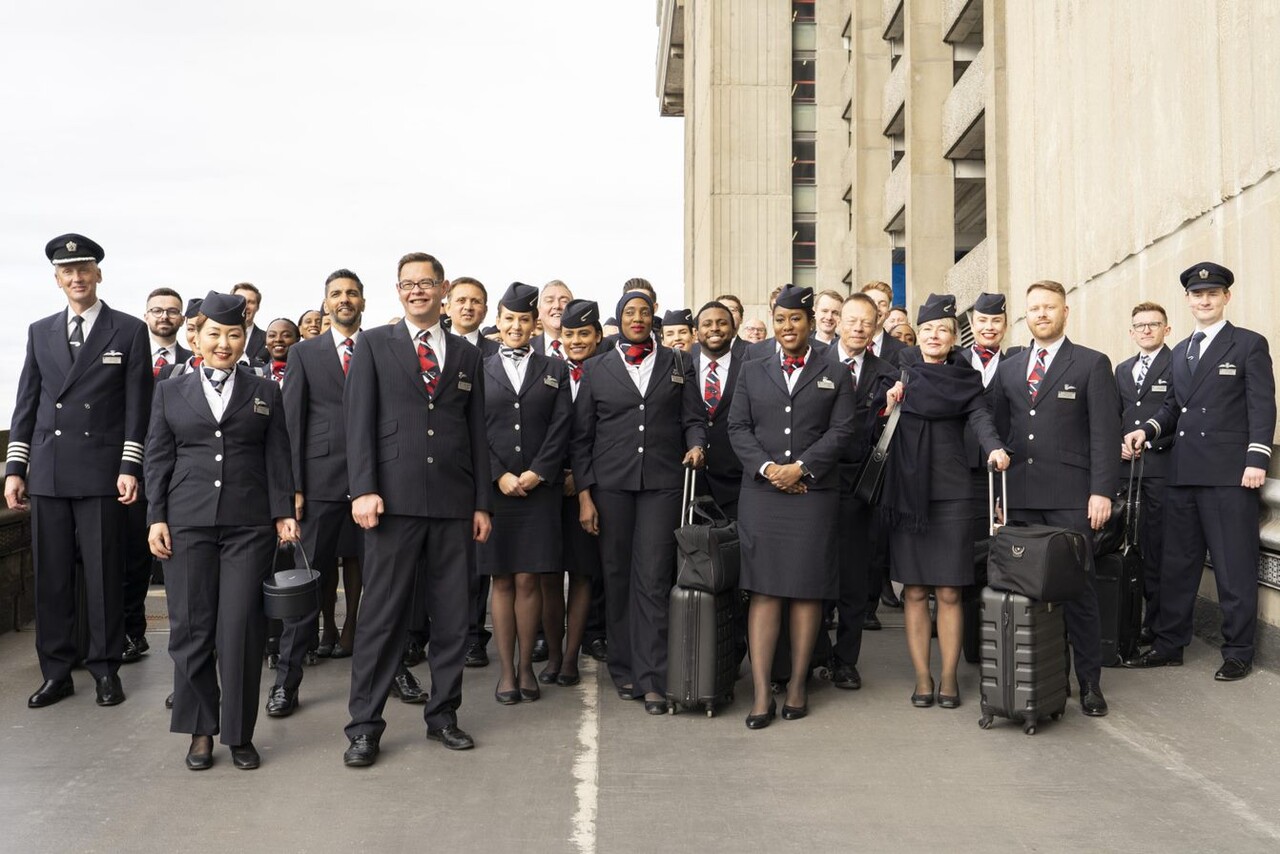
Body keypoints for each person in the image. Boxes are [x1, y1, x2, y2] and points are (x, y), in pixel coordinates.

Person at [341, 251, 492, 766]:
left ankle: (443, 716)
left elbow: (477, 434)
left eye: (426, 283)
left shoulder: (469, 356)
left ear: (443, 288)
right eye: (408, 284)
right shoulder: (374, 344)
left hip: (453, 503)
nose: (417, 291)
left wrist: (481, 503)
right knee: (381, 619)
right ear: (398, 290)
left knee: (452, 618)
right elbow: (357, 421)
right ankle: (364, 726)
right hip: (392, 502)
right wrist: (362, 488)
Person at [144, 290, 297, 770]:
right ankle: (200, 731)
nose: (224, 343)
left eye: (234, 334)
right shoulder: (170, 391)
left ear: (243, 336)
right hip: (187, 522)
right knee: (191, 630)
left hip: (248, 525)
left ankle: (239, 733)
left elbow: (278, 456)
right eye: (214, 334)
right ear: (197, 335)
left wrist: (282, 512)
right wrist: (156, 517)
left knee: (241, 630)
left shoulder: (264, 391)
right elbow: (157, 456)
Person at [7, 233, 151, 709]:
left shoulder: (128, 330)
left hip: (102, 473)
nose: (77, 278)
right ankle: (56, 672)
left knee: (105, 575)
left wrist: (130, 465)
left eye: (84, 269)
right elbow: (26, 403)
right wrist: (15, 468)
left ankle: (106, 669)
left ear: (98, 274)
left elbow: (138, 406)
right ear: (57, 279)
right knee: (51, 578)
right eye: (67, 272)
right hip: (48, 472)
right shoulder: (39, 330)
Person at [1124, 263, 1275, 681]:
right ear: (1188, 300)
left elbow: (1262, 406)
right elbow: (1174, 406)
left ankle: (1238, 651)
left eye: (1213, 293)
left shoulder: (1247, 344)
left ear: (1227, 297)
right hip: (1183, 471)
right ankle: (1170, 644)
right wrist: (1147, 429)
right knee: (1177, 565)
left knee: (1233, 566)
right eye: (1196, 294)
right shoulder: (1184, 350)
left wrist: (1256, 459)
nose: (1204, 300)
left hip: (1229, 475)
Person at [990, 279, 1120, 717]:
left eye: (1050, 307)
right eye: (1034, 308)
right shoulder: (1009, 368)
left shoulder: (1090, 363)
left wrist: (1102, 491)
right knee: (1027, 592)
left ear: (1066, 312)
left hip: (1070, 498)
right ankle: (1044, 679)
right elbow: (999, 431)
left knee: (1078, 590)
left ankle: (1089, 684)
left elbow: (1105, 434)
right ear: (1025, 316)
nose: (1041, 314)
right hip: (1022, 498)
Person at [573, 289, 706, 715]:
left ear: (654, 319)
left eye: (644, 311)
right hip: (611, 486)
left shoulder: (679, 363)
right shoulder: (596, 368)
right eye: (629, 312)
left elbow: (693, 418)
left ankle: (652, 677)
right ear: (619, 318)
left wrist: (697, 444)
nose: (637, 317)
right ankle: (624, 667)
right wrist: (586, 497)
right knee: (616, 578)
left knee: (652, 578)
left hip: (662, 484)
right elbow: (582, 439)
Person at [727, 284, 855, 729]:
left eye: (795, 319)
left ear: (810, 321)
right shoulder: (752, 365)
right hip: (762, 494)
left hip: (813, 493)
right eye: (779, 319)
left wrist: (801, 468)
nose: (787, 327)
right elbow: (738, 426)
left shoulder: (835, 369)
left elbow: (842, 432)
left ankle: (798, 684)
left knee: (806, 590)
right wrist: (768, 469)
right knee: (762, 590)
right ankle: (762, 691)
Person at [881, 295, 1009, 709]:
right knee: (915, 591)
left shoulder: (965, 378)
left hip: (953, 494)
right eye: (928, 329)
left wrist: (995, 448)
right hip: (907, 492)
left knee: (950, 591)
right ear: (917, 334)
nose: (935, 336)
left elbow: (981, 418)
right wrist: (886, 405)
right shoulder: (897, 371)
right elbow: (866, 421)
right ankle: (923, 677)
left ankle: (950, 677)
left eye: (943, 330)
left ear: (954, 339)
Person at [270, 270, 375, 718]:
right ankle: (286, 683)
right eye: (336, 294)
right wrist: (293, 488)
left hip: (375, 486)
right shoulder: (304, 353)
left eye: (352, 293)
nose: (344, 299)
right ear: (326, 302)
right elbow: (290, 424)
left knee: (382, 589)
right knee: (304, 591)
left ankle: (390, 674)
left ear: (363, 301)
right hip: (318, 488)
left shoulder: (382, 347)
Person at [479, 283, 574, 703]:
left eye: (523, 320)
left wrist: (539, 472)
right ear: (497, 323)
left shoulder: (555, 368)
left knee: (530, 580)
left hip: (540, 491)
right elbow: (474, 429)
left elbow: (562, 427)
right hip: (496, 491)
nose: (516, 326)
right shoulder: (478, 366)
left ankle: (525, 669)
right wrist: (498, 474)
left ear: (535, 323)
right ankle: (505, 672)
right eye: (508, 319)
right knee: (501, 580)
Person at [823, 293, 898, 690]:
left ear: (875, 327)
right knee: (815, 572)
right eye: (850, 320)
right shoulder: (815, 362)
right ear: (836, 322)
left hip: (860, 483)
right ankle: (814, 652)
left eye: (865, 322)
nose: (857, 328)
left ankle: (846, 660)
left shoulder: (888, 373)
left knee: (853, 576)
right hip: (816, 479)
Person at [542, 299, 607, 685]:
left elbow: (611, 436)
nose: (577, 340)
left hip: (590, 487)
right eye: (569, 334)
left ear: (598, 336)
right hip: (548, 485)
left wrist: (583, 479)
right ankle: (552, 654)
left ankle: (570, 658)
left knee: (582, 574)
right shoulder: (548, 370)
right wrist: (555, 472)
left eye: (584, 333)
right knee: (549, 574)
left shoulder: (608, 372)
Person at [1114, 301, 1174, 644]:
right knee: (1125, 547)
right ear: (1131, 331)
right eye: (1140, 325)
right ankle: (1125, 620)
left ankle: (1155, 624)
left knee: (1156, 549)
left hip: (1159, 470)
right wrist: (1114, 446)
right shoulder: (1122, 369)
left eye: (1154, 324)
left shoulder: (1176, 363)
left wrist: (1149, 442)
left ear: (1167, 329)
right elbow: (1113, 414)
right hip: (1126, 471)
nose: (1146, 330)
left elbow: (1177, 411)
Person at [690, 301, 749, 519]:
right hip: (691, 483)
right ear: (696, 332)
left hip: (737, 483)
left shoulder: (750, 370)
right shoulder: (682, 369)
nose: (715, 328)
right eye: (707, 324)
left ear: (734, 329)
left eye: (722, 323)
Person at [448, 277, 498, 355]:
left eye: (476, 302)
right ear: (448, 308)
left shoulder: (499, 352)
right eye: (461, 300)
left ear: (485, 311)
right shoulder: (430, 346)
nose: (468, 307)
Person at [860, 281, 906, 364]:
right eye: (871, 302)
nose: (877, 307)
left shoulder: (902, 350)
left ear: (888, 313)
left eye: (883, 304)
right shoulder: (841, 345)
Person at [532, 279, 572, 357]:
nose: (557, 306)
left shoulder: (589, 347)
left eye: (564, 301)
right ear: (538, 311)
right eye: (549, 301)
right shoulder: (527, 348)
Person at [231, 283, 266, 362]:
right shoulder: (214, 336)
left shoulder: (268, 340)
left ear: (257, 307)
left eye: (251, 302)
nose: (245, 306)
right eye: (239, 300)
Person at [264, 318, 300, 385]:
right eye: (272, 335)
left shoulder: (308, 374)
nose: (278, 339)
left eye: (286, 335)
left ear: (297, 340)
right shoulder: (255, 374)